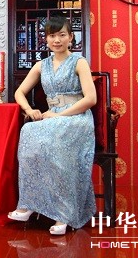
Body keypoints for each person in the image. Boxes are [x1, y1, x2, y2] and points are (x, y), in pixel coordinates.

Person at [8, 17, 97, 235]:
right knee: (28, 131)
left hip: (76, 117)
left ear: (71, 37)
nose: (57, 40)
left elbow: (91, 99)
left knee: (54, 143)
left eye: (62, 35)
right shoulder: (41, 65)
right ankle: (29, 203)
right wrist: (30, 110)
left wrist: (59, 115)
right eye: (52, 35)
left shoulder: (79, 62)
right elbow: (19, 92)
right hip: (51, 117)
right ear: (46, 39)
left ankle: (63, 214)